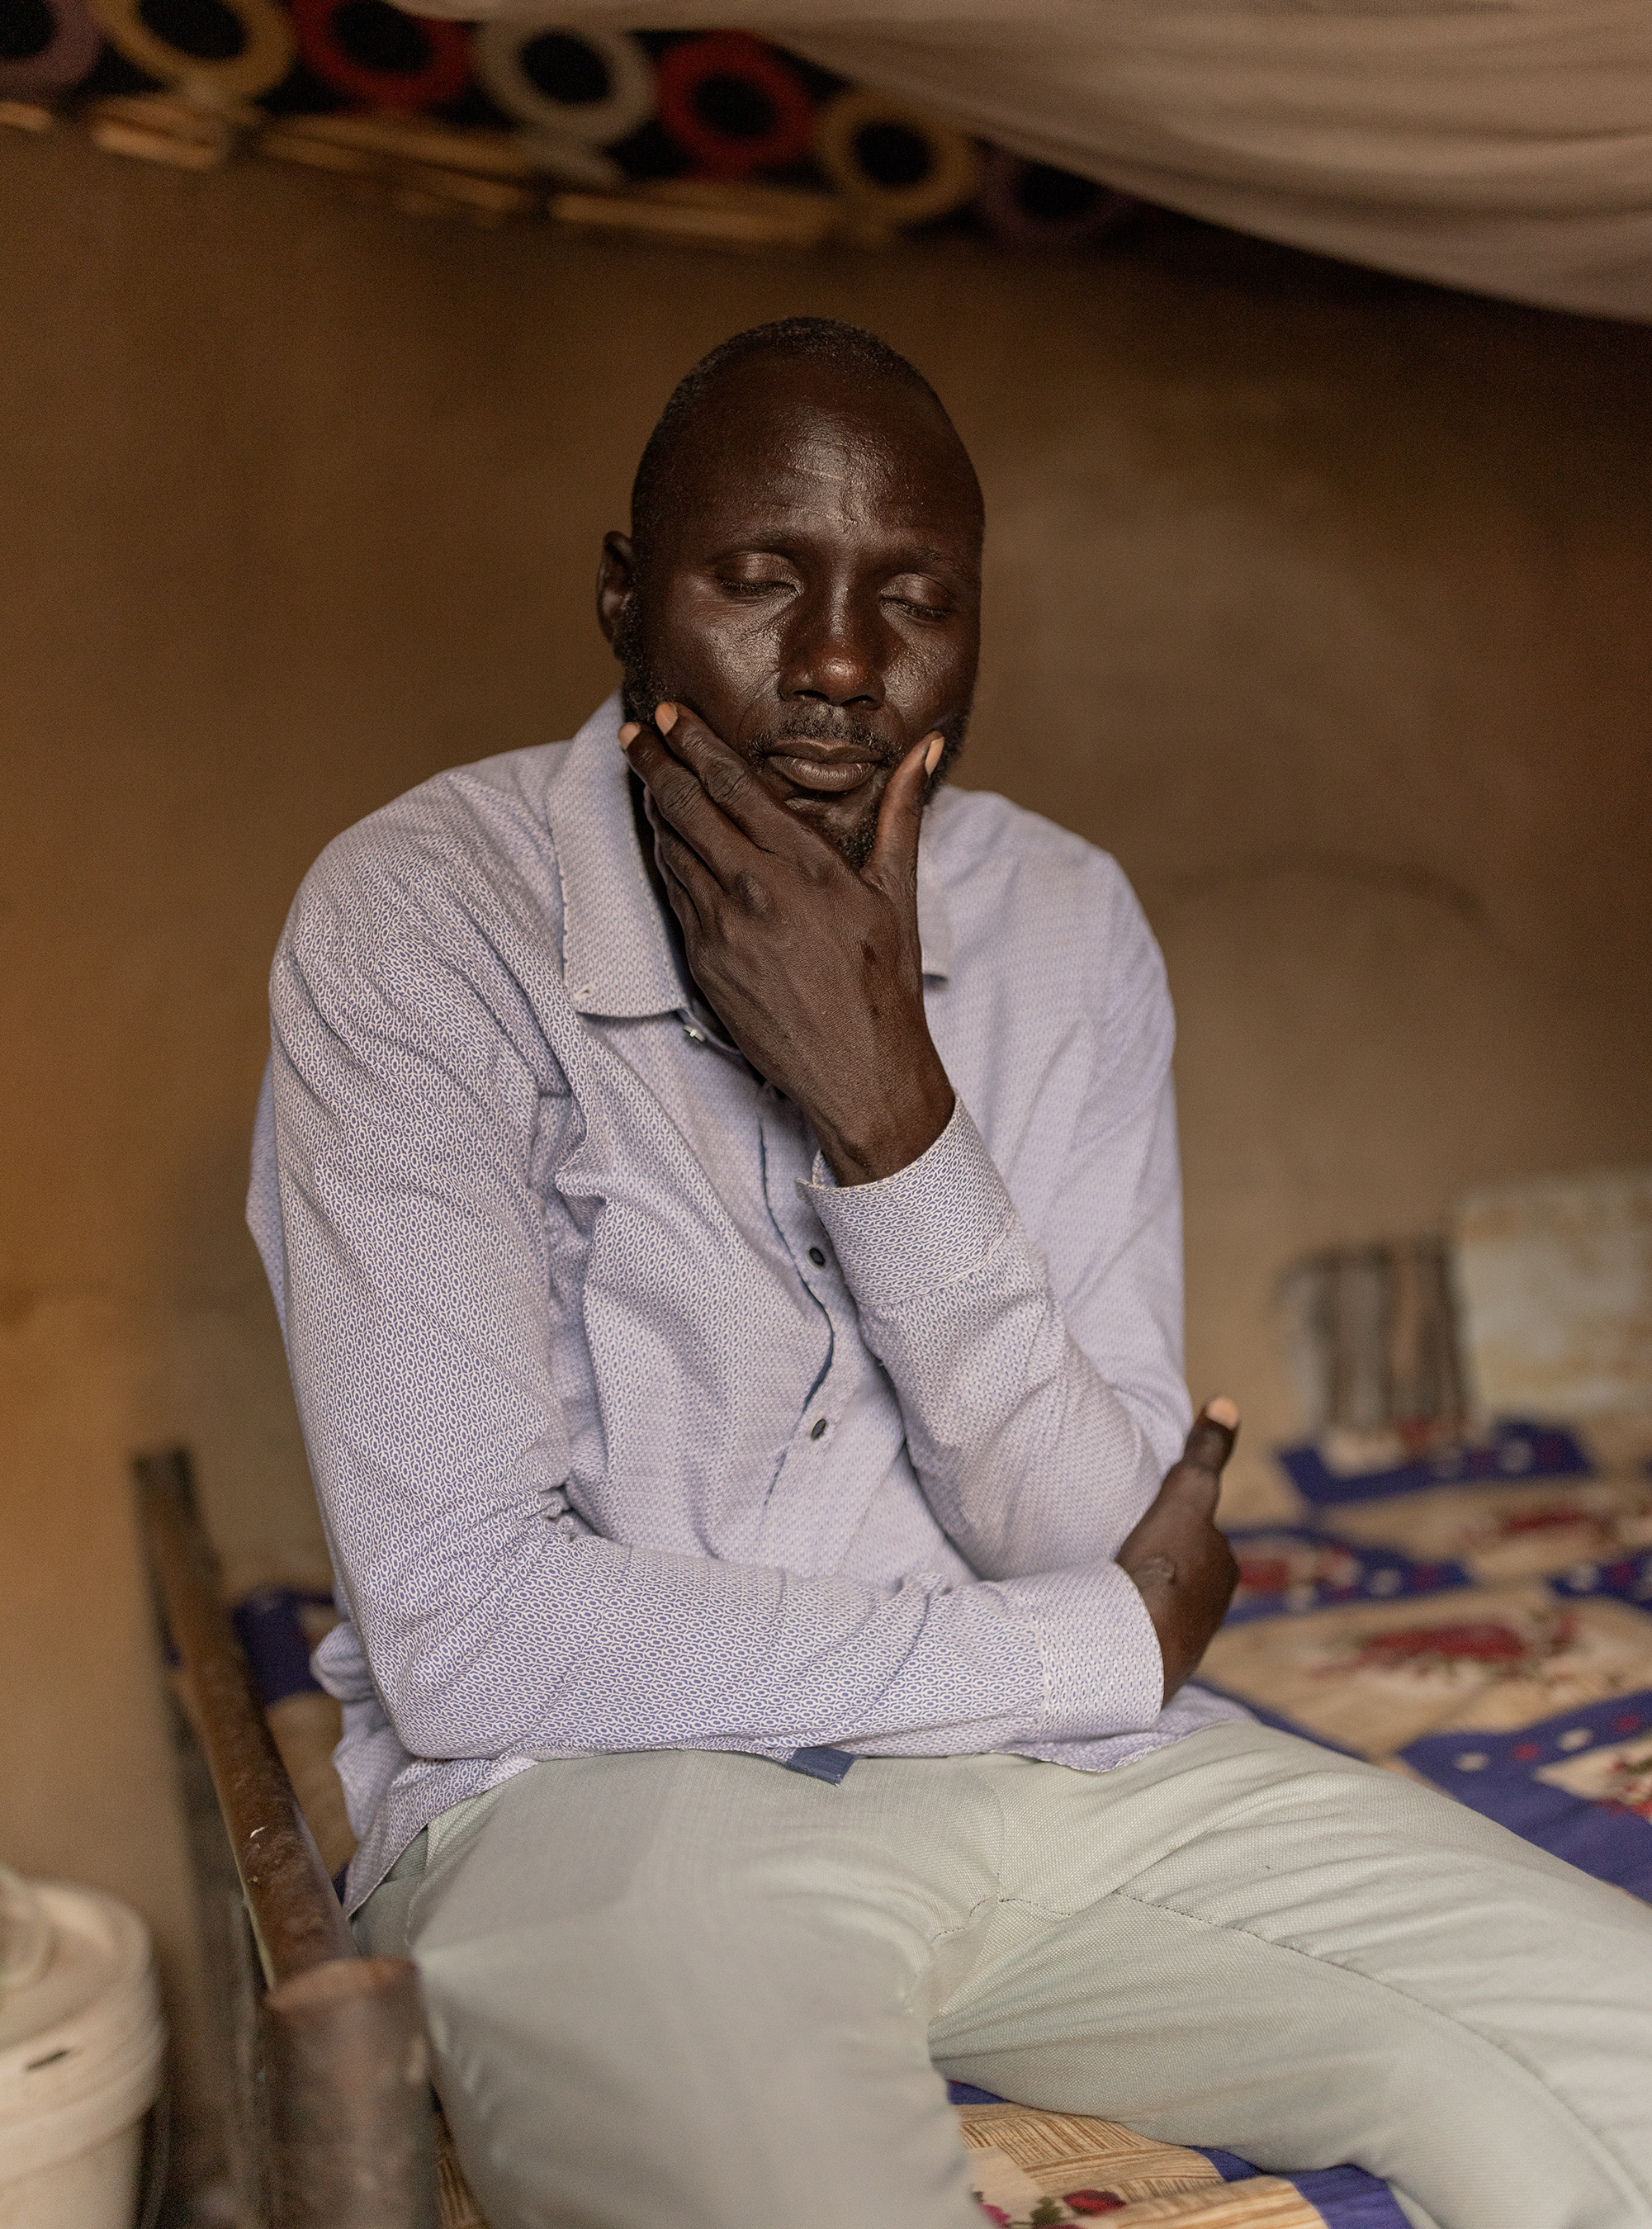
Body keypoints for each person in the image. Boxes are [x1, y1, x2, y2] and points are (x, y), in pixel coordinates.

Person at [249, 318, 1652, 2229]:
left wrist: (891, 1112)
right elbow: (475, 1631)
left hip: (1070, 1784)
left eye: (912, 599)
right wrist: (1077, 1644)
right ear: (619, 595)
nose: (834, 666)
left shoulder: (1061, 920)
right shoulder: (423, 918)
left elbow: (1085, 1516)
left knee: (1620, 2043)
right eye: (758, 580)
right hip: (597, 1803)